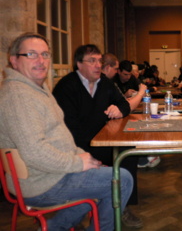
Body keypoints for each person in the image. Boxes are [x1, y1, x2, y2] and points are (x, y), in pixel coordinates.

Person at [0, 32, 133, 230]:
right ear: (14, 61)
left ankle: (53, 227)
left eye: (45, 54)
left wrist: (81, 155)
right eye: (31, 54)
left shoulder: (36, 89)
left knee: (104, 174)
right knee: (121, 179)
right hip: (41, 182)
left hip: (47, 173)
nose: (41, 60)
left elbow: (60, 135)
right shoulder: (19, 96)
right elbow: (35, 152)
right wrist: (77, 163)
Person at [53, 48, 143, 229]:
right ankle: (108, 202)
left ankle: (121, 205)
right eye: (92, 61)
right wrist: (88, 155)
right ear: (79, 64)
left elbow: (124, 104)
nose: (97, 65)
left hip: (101, 141)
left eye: (99, 61)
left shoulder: (105, 83)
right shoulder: (67, 86)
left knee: (128, 153)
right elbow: (69, 129)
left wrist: (120, 110)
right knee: (121, 158)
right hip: (77, 146)